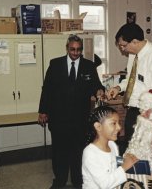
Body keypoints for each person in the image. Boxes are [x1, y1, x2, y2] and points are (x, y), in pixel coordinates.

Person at [38, 34, 105, 189]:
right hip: (58, 118)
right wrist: (43, 111)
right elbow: (47, 89)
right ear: (67, 48)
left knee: (78, 153)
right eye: (72, 49)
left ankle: (78, 180)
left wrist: (99, 91)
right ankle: (59, 180)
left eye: (78, 50)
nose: (75, 53)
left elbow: (96, 85)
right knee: (59, 152)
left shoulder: (89, 66)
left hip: (79, 120)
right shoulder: (55, 64)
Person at [106, 23, 152, 154]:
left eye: (124, 45)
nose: (123, 49)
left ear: (135, 41)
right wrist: (119, 88)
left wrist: (151, 122)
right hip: (132, 110)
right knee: (132, 151)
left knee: (145, 156)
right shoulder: (133, 55)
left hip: (148, 116)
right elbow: (131, 79)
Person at [82, 106, 138, 189]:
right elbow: (104, 184)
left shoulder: (112, 144)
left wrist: (125, 159)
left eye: (119, 123)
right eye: (114, 123)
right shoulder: (90, 153)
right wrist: (124, 166)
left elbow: (115, 161)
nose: (119, 127)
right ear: (98, 126)